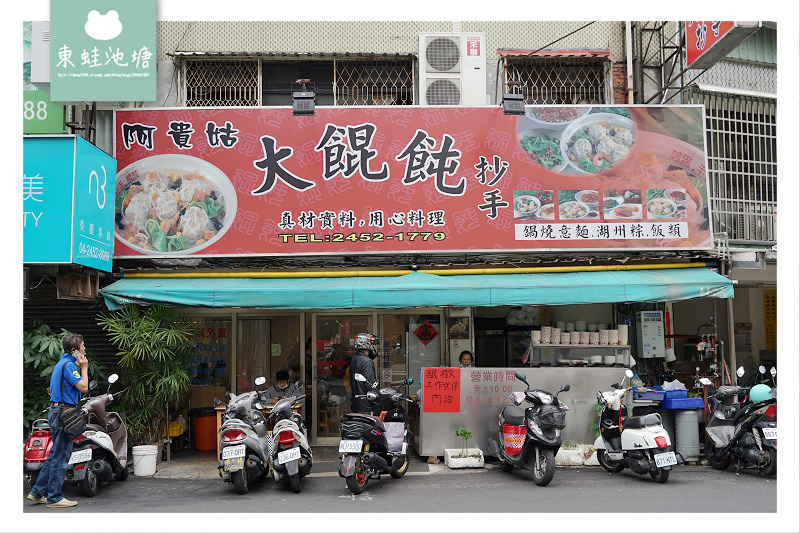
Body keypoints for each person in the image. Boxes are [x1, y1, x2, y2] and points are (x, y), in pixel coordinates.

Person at [27, 333, 89, 508]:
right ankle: (55, 497)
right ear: (74, 350)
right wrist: (84, 368)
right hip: (65, 414)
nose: (85, 349)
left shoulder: (61, 364)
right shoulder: (69, 366)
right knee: (61, 457)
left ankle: (37, 492)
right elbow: (83, 388)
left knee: (54, 455)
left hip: (56, 412)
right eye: (83, 346)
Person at [349, 333, 378, 414]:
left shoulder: (354, 359)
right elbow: (370, 384)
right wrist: (376, 403)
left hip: (355, 403)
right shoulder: (367, 361)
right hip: (366, 405)